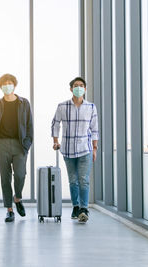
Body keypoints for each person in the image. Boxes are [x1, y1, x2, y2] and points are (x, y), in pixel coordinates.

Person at [0, 73, 33, 223]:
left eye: (9, 83)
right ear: (1, 87)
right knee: (5, 178)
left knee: (20, 175)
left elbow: (29, 125)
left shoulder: (24, 103)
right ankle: (9, 210)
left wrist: (27, 142)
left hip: (20, 144)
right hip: (2, 144)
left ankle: (17, 198)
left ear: (14, 85)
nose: (7, 85)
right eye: (4, 83)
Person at [51, 77, 99, 223]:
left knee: (83, 180)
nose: (79, 88)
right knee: (73, 181)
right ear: (71, 89)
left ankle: (84, 209)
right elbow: (55, 123)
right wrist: (55, 141)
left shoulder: (91, 107)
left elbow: (95, 129)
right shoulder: (62, 106)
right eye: (76, 86)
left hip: (86, 149)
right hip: (68, 149)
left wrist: (95, 148)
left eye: (81, 86)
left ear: (85, 89)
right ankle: (76, 206)